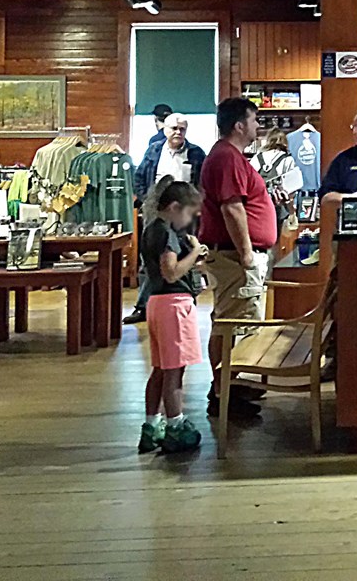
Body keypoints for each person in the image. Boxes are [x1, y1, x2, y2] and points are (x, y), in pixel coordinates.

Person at [199, 97, 277, 418]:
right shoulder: (226, 158)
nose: (259, 126)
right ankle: (224, 393)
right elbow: (232, 208)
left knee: (236, 321)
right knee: (233, 324)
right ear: (239, 125)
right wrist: (246, 254)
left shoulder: (229, 157)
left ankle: (231, 387)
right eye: (255, 120)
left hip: (235, 256)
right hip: (234, 258)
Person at [137, 178, 207, 455]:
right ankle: (175, 425)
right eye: (188, 214)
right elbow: (171, 271)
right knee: (175, 371)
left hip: (155, 302)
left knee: (160, 368)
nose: (188, 220)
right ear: (175, 207)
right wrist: (197, 252)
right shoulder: (166, 233)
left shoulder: (151, 230)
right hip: (174, 304)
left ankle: (152, 425)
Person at [126, 114, 207, 325]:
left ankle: (187, 298)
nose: (178, 132)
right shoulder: (153, 150)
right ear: (164, 130)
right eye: (174, 128)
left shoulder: (196, 153)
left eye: (182, 129)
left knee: (185, 254)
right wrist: (146, 200)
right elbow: (139, 176)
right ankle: (144, 305)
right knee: (151, 259)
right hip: (157, 210)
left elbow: (203, 181)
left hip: (184, 211)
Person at [250, 127, 298, 252]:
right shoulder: (287, 159)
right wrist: (292, 210)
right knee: (275, 241)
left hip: (257, 205)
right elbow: (291, 189)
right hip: (278, 206)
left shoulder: (257, 157)